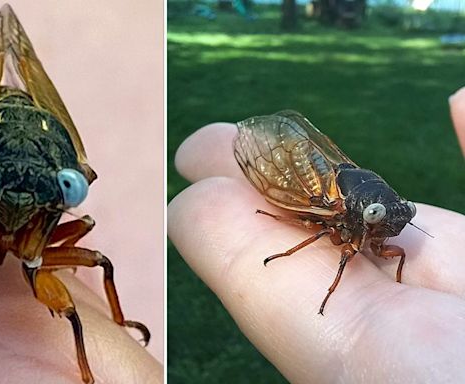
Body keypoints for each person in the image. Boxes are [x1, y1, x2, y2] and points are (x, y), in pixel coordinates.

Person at [169, 89, 465, 383]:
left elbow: (394, 247)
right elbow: (329, 237)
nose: (394, 230)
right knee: (318, 222)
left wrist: (397, 279)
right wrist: (294, 258)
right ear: (366, 214)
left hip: (359, 195)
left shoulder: (382, 218)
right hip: (324, 190)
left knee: (391, 249)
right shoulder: (341, 211)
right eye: (377, 218)